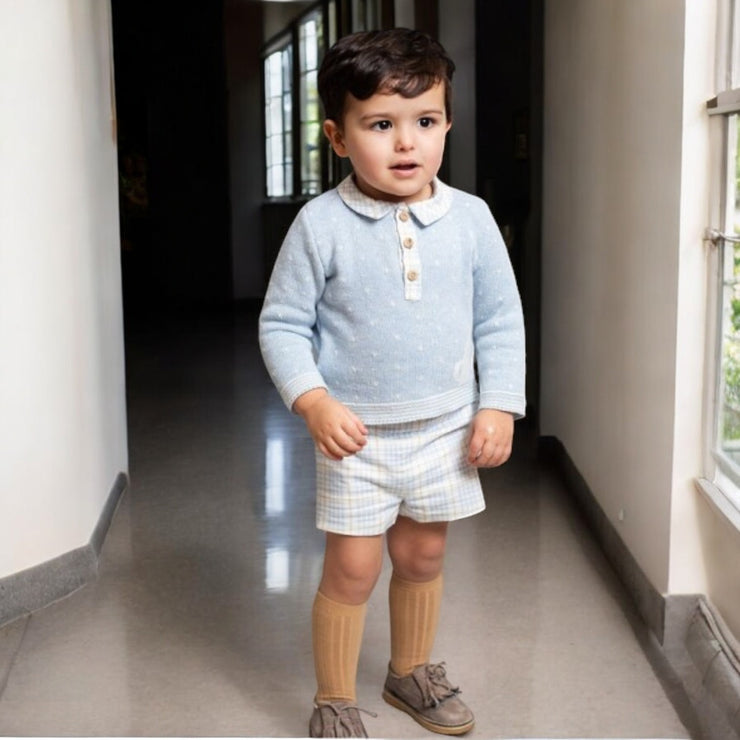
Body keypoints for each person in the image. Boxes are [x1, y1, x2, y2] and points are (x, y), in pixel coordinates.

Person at [259, 27, 525, 738]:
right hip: (358, 438)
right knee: (352, 570)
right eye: (381, 124)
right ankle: (334, 698)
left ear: (446, 124)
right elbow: (282, 325)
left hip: (444, 428)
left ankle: (409, 673)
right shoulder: (320, 225)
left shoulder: (470, 220)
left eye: (426, 122)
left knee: (423, 553)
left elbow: (500, 321)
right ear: (337, 136)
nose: (407, 143)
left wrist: (497, 405)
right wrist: (312, 400)